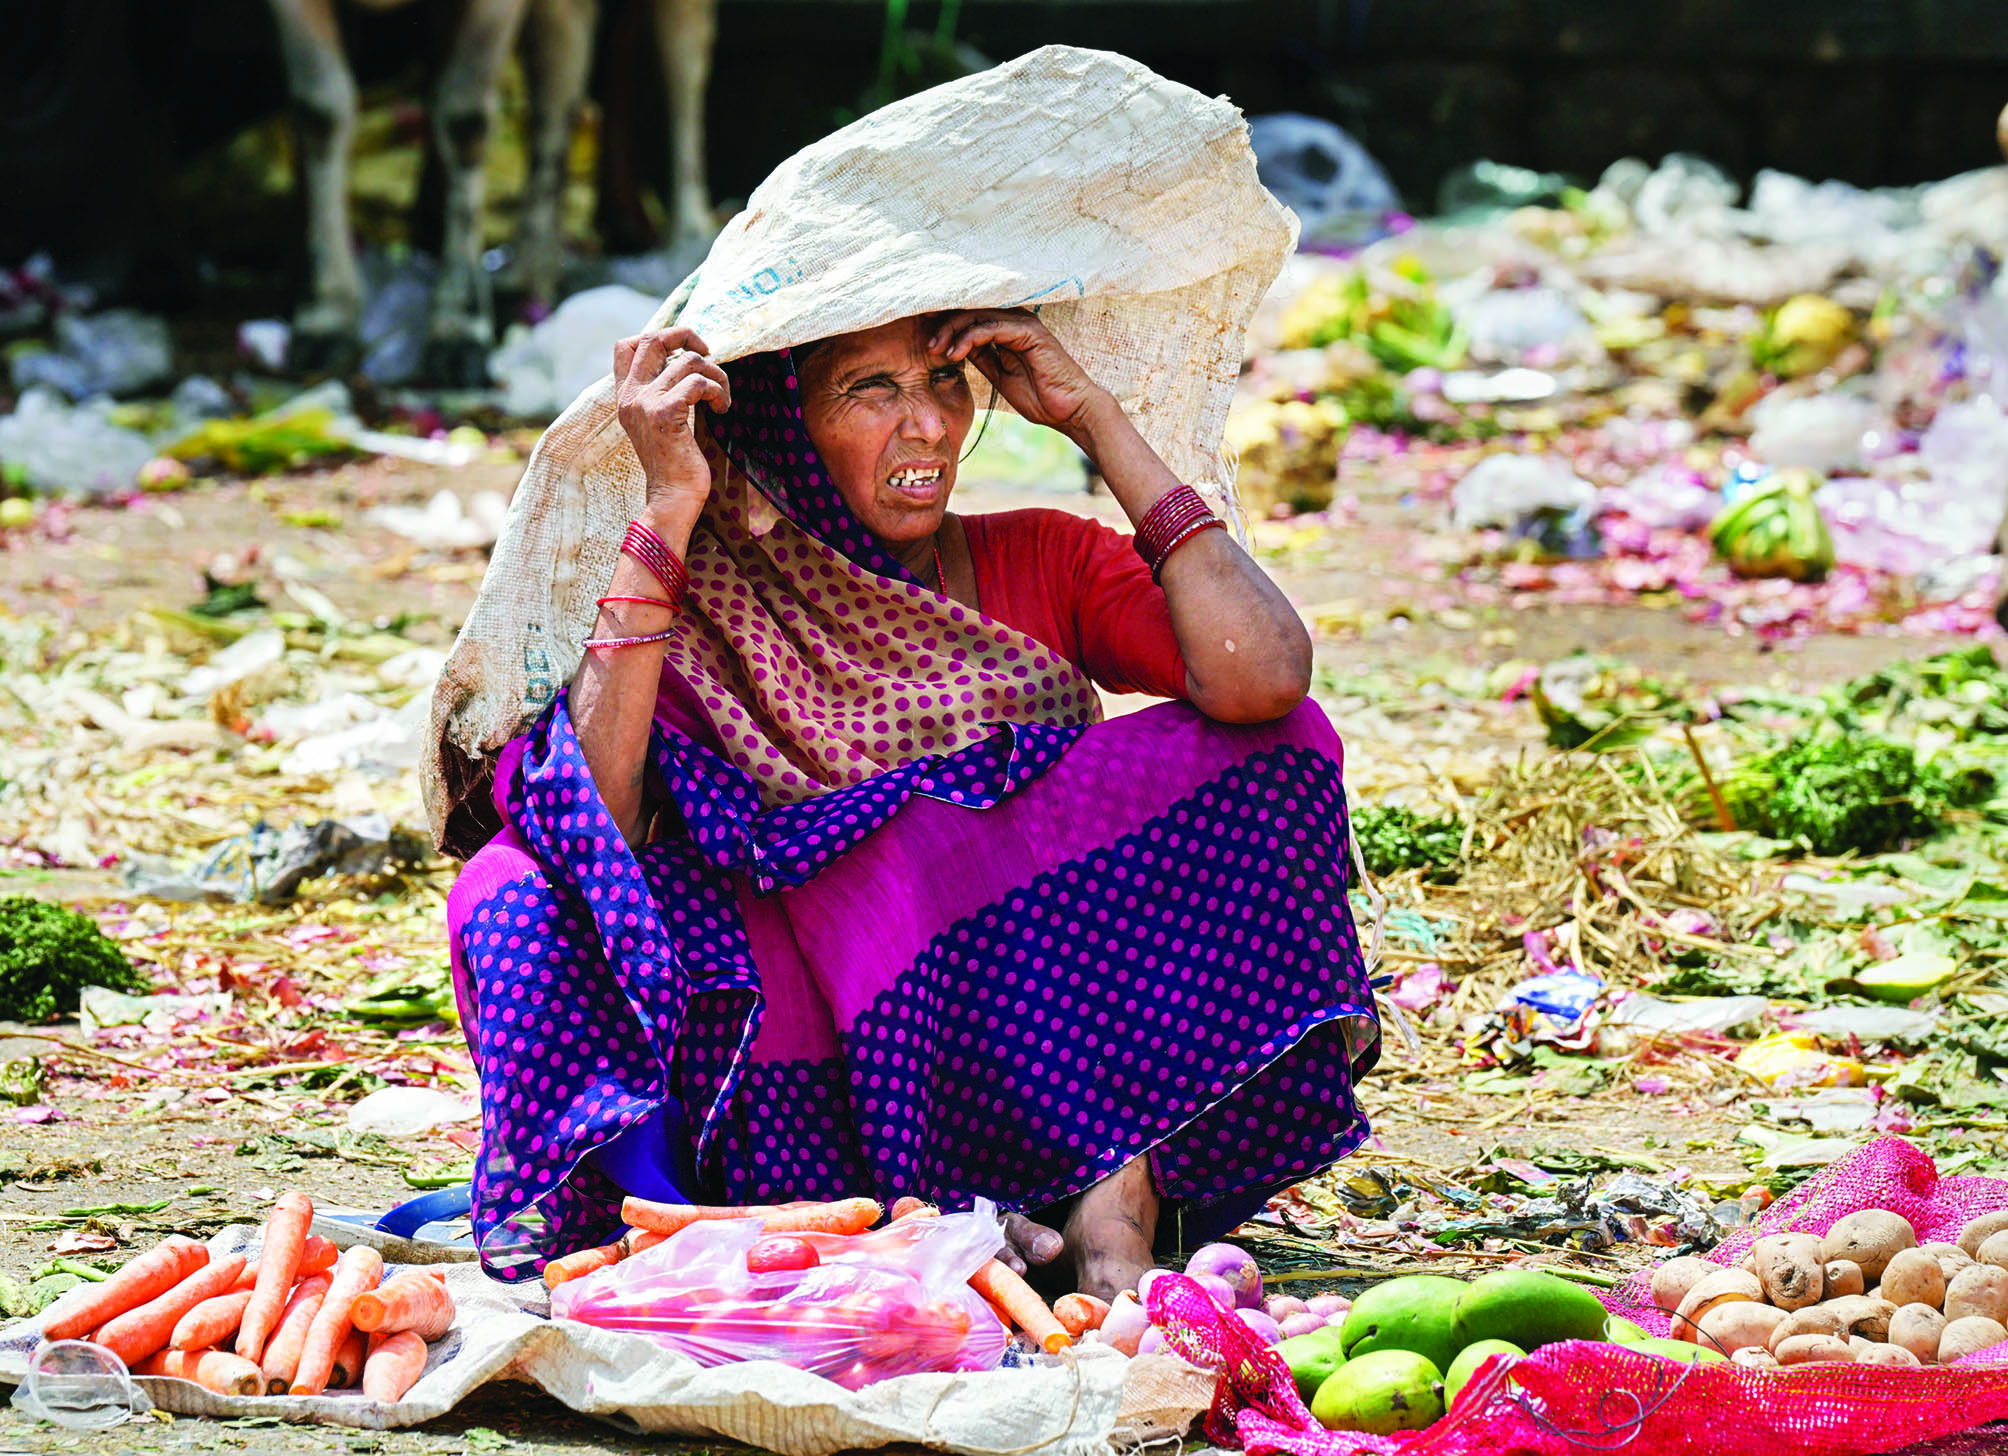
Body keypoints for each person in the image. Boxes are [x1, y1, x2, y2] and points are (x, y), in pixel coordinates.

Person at [447, 304, 1379, 1299]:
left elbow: (1266, 680)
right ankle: (895, 1218)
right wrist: (671, 499)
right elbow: (593, 823)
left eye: (945, 380)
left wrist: (1095, 419)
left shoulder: (1038, 558)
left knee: (1271, 753)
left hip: (1040, 1025)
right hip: (800, 1023)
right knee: (504, 891)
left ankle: (1112, 1212)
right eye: (871, 389)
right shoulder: (700, 595)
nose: (931, 424)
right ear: (776, 421)